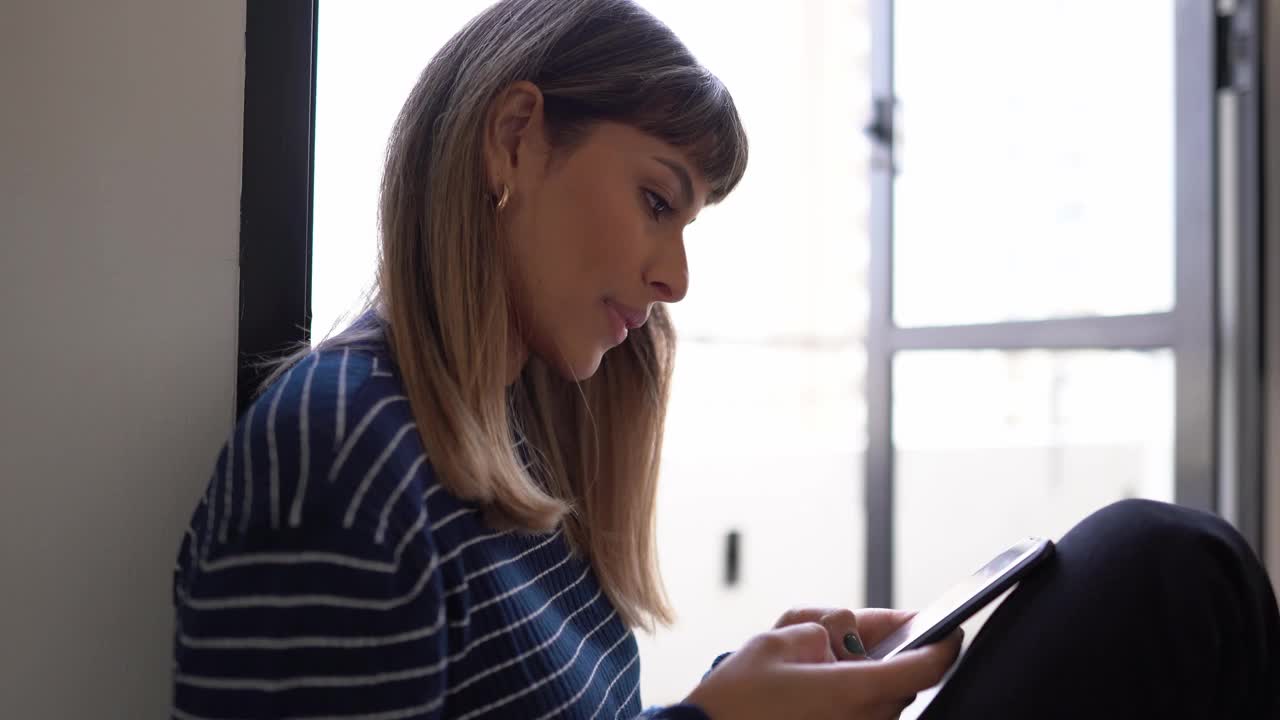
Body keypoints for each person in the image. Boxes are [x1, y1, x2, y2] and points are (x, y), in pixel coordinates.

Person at [171, 0, 1280, 717]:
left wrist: (738, 700)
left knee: (1166, 577)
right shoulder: (340, 449)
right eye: (656, 200)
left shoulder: (509, 438)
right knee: (1162, 571)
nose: (674, 280)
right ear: (513, 139)